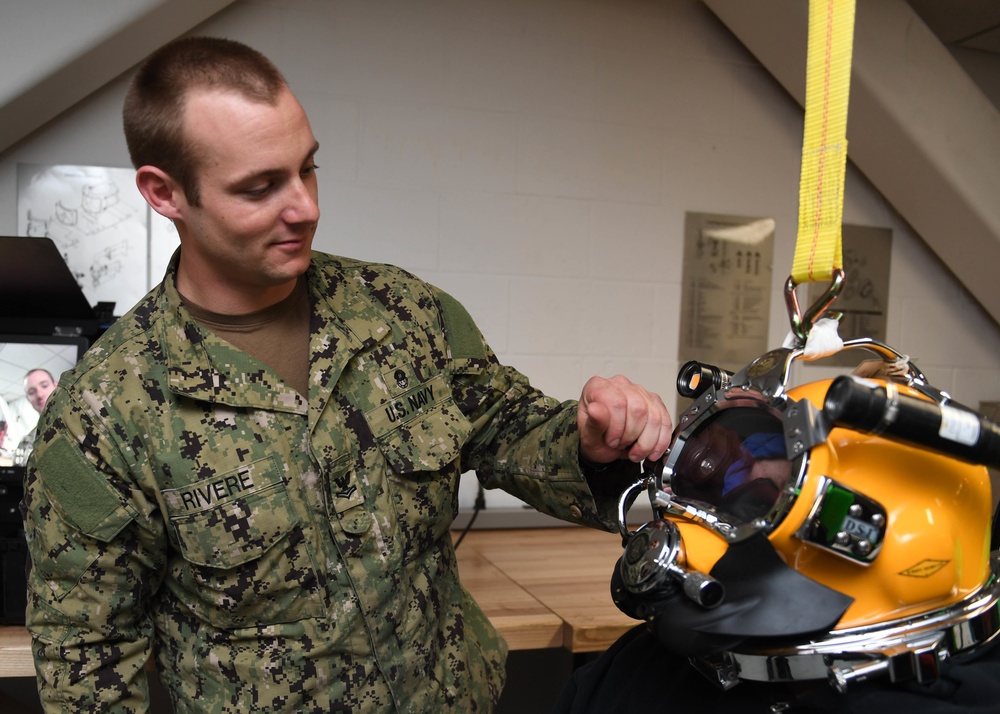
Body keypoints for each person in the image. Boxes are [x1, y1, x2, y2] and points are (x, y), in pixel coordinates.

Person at [22, 36, 672, 713]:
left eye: (308, 169)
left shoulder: (403, 313)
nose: (304, 207)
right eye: (260, 187)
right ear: (165, 193)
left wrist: (587, 441)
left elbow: (510, 430)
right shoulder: (104, 414)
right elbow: (85, 657)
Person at [12, 368, 58, 466]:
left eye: (44, 386)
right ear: (28, 399)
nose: (39, 394)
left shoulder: (83, 421)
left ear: (56, 385)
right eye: (31, 392)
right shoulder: (25, 443)